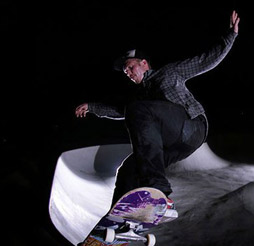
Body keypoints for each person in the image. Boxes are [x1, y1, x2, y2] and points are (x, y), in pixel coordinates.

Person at [75, 10, 240, 205]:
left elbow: (204, 61)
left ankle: (156, 188)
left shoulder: (168, 73)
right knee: (130, 167)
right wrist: (92, 107)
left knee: (138, 108)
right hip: (175, 144)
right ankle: (120, 219)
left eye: (130, 67)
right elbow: (120, 110)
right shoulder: (139, 98)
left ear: (143, 63)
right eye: (125, 71)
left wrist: (230, 36)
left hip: (191, 125)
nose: (127, 72)